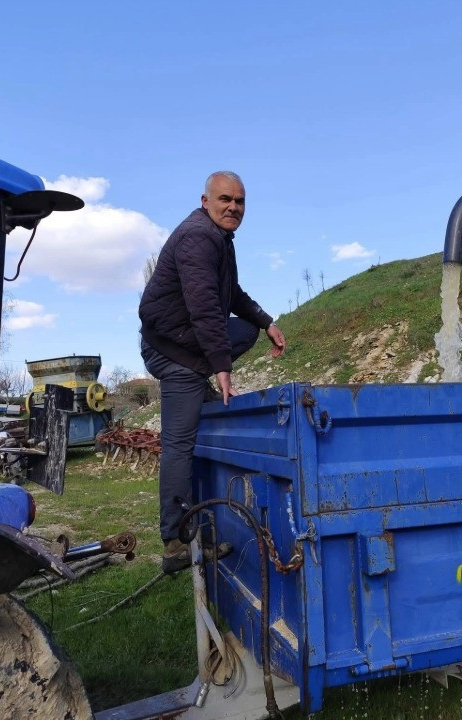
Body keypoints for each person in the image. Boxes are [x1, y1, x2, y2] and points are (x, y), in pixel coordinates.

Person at [139, 171, 287, 573]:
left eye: (240, 202)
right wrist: (220, 368)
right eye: (225, 199)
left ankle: (201, 520)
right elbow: (205, 307)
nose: (233, 207)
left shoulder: (222, 240)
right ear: (205, 201)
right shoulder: (197, 238)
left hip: (185, 342)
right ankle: (173, 542)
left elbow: (231, 295)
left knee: (246, 328)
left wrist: (267, 321)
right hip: (169, 348)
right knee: (179, 444)